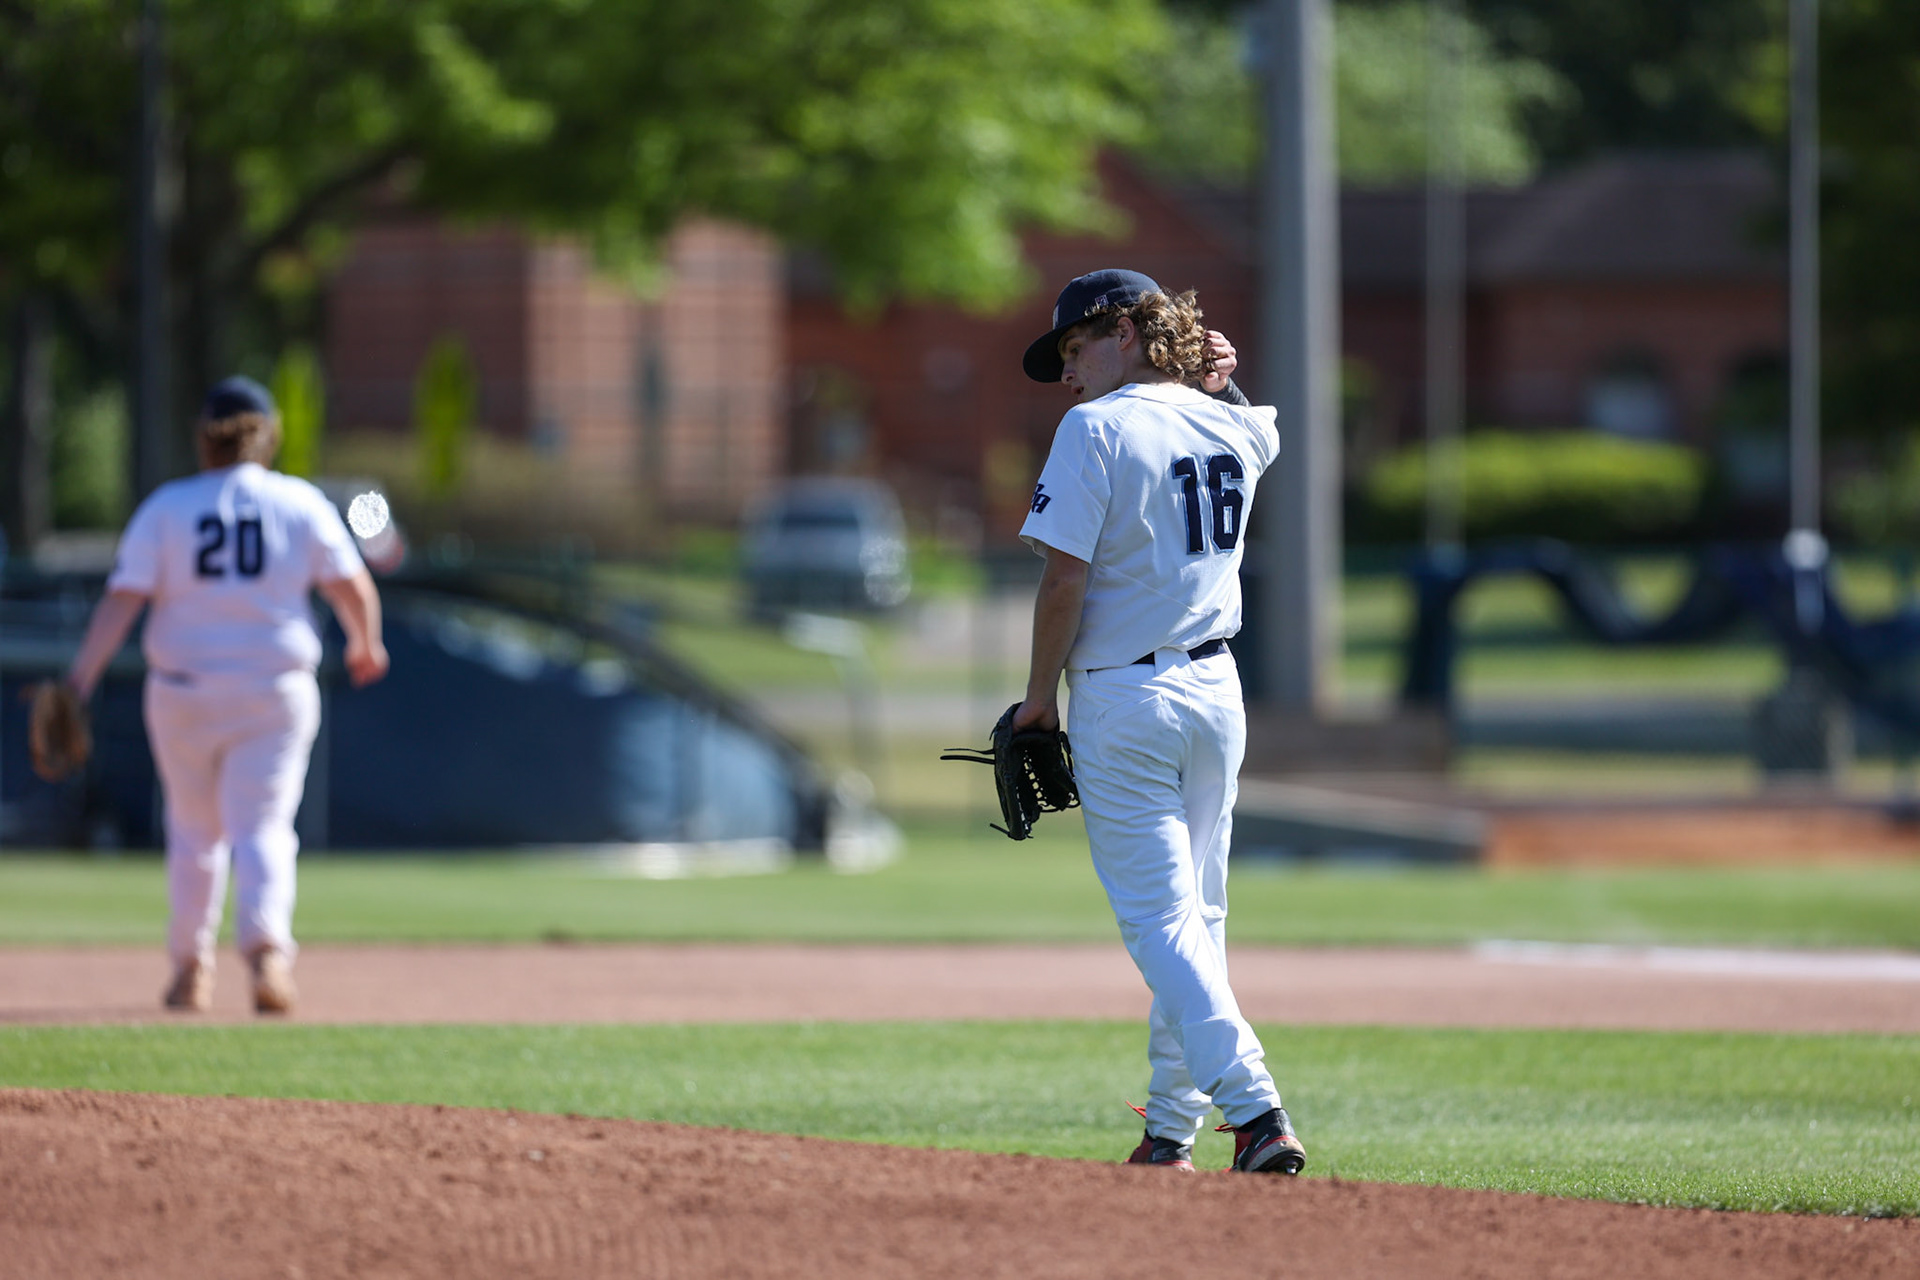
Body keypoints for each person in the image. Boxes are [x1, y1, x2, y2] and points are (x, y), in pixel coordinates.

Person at [1013, 268, 1305, 1174]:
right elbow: (1260, 429)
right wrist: (1219, 371)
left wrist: (1036, 702)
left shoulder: (1094, 428)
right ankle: (1170, 1130)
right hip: (1219, 696)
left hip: (1125, 698)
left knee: (1161, 923)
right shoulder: (1227, 421)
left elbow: (1065, 579)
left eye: (1081, 343)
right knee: (1199, 918)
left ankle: (1255, 1109)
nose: (1069, 370)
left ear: (1135, 331)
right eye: (1065, 354)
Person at [64, 376, 389, 1014]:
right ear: (268, 435)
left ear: (203, 439)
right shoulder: (298, 501)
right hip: (274, 689)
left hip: (183, 692)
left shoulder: (168, 507)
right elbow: (352, 586)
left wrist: (79, 681)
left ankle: (190, 968)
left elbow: (121, 602)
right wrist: (364, 643)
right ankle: (268, 954)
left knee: (193, 832)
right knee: (264, 827)